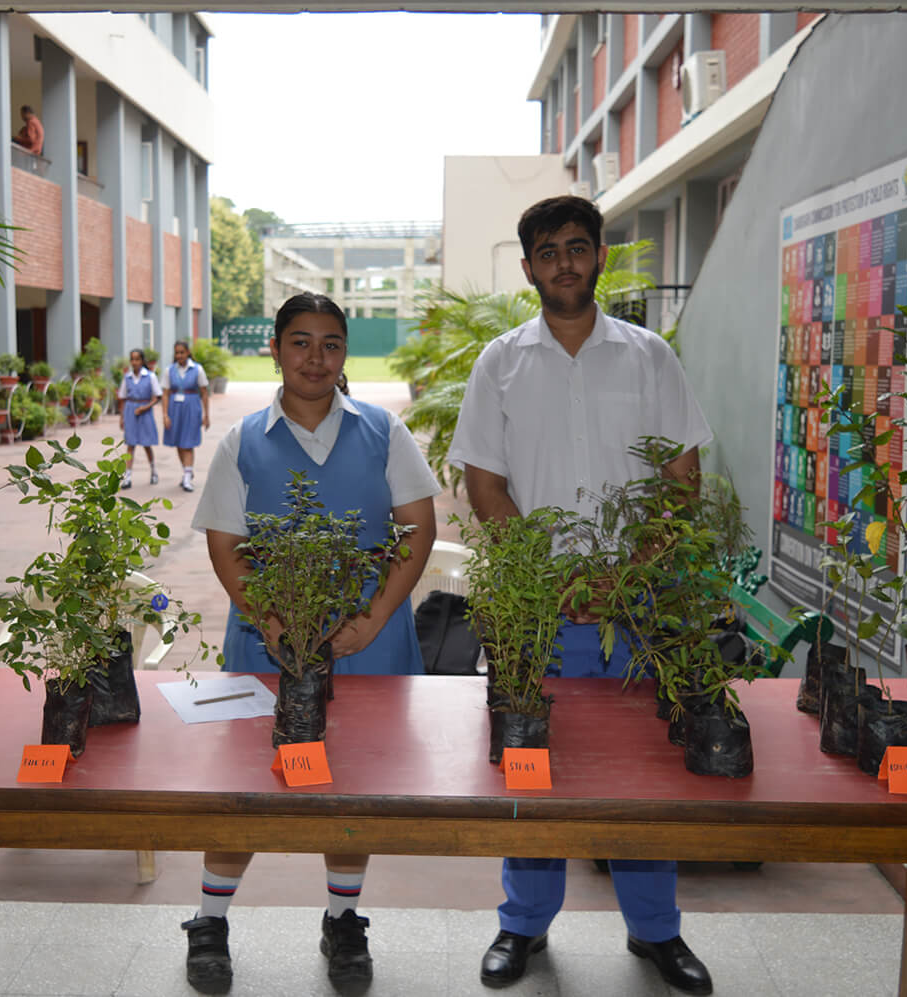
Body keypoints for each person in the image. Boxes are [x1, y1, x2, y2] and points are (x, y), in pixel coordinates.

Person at [448, 195, 715, 995]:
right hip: (537, 607)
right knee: (533, 760)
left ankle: (656, 928)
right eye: (547, 251)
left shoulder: (649, 357)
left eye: (575, 246)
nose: (562, 262)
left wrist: (623, 574)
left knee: (642, 767)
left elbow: (682, 480)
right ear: (528, 267)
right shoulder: (500, 362)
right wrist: (548, 575)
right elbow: (485, 484)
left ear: (599, 254)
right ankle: (523, 922)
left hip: (637, 606)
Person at [185, 292, 440, 994]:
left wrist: (375, 617)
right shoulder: (243, 440)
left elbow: (418, 527)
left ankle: (343, 920)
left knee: (353, 788)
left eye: (331, 344)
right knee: (247, 786)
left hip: (368, 639)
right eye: (300, 342)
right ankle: (209, 920)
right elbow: (225, 543)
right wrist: (268, 618)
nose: (316, 358)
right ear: (275, 349)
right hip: (267, 643)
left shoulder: (383, 431)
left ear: (344, 353)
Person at [162, 339, 211, 492]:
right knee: (178, 442)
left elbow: (204, 393)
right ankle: (187, 471)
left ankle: (187, 478)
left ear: (188, 353)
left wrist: (206, 415)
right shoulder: (169, 370)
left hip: (192, 407)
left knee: (188, 443)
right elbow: (165, 394)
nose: (179, 355)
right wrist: (165, 415)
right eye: (177, 353)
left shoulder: (197, 369)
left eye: (182, 352)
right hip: (174, 408)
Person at [117, 348, 161, 487]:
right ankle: (128, 477)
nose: (134, 362)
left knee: (147, 444)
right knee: (130, 444)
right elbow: (122, 397)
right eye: (132, 359)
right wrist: (122, 417)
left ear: (142, 361)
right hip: (131, 411)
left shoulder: (150, 376)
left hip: (145, 411)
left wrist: (145, 407)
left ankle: (153, 471)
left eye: (137, 359)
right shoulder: (127, 378)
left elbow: (157, 396)